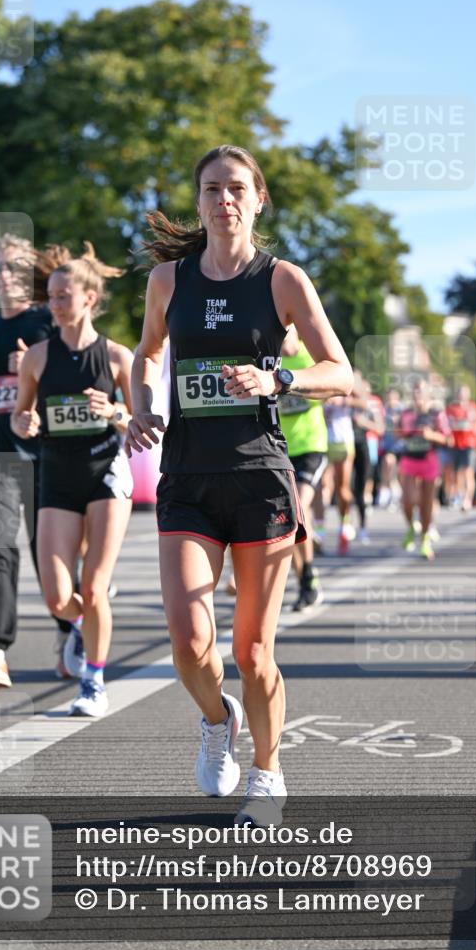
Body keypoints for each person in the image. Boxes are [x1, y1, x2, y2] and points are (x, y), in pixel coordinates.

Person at [126, 145, 353, 825]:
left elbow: (337, 370)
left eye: (234, 189)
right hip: (188, 476)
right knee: (188, 642)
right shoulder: (168, 280)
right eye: (209, 189)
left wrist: (277, 379)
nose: (221, 200)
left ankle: (267, 768)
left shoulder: (281, 279)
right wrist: (143, 406)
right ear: (198, 202)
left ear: (257, 199)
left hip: (258, 476)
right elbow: (147, 352)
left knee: (253, 653)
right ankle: (214, 719)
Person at [12, 243, 133, 717]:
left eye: (64, 295)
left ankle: (93, 682)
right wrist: (25, 424)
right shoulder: (37, 358)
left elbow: (143, 418)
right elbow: (22, 415)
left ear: (90, 297)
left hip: (105, 471)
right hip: (57, 476)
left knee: (96, 586)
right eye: (52, 297)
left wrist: (116, 412)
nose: (55, 304)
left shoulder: (118, 357)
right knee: (60, 596)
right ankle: (84, 623)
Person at [0, 234, 71, 689]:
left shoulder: (49, 321)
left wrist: (38, 367)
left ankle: (73, 631)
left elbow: (77, 379)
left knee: (49, 553)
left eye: (10, 267)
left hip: (51, 455)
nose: (2, 276)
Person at [277, 325, 328, 610]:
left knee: (296, 508)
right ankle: (306, 579)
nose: (281, 341)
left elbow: (331, 388)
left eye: (285, 333)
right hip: (282, 448)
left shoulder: (309, 356)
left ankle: (305, 578)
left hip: (311, 446)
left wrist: (294, 384)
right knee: (290, 515)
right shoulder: (270, 359)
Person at [397, 379, 450, 561]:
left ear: (428, 395)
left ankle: (425, 540)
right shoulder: (405, 414)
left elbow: (448, 439)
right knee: (408, 499)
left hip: (429, 460)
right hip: (409, 459)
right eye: (415, 391)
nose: (418, 395)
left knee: (426, 503)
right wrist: (404, 432)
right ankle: (412, 526)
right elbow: (396, 432)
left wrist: (431, 435)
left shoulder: (436, 414)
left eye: (421, 392)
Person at [317, 396, 355, 555]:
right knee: (321, 486)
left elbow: (364, 402)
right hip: (321, 440)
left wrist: (342, 401)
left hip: (342, 441)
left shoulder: (347, 373)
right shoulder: (315, 375)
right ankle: (319, 533)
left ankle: (344, 525)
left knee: (342, 489)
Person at [351, 376, 384, 545]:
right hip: (345, 447)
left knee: (361, 489)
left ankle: (363, 527)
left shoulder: (370, 404)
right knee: (347, 488)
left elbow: (380, 428)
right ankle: (346, 525)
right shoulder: (342, 400)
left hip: (363, 446)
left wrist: (364, 422)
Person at [446, 385, 476, 511]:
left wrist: (468, 426)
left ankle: (468, 499)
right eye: (460, 393)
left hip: (470, 444)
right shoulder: (451, 409)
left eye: (464, 393)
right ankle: (459, 497)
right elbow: (447, 426)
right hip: (456, 444)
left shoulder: (473, 408)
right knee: (457, 473)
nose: (462, 396)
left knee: (468, 472)